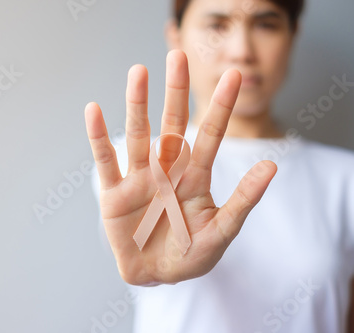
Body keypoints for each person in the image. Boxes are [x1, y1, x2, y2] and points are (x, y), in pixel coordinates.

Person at [84, 0, 354, 332]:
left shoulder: (345, 179)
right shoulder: (132, 169)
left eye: (266, 24)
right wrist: (154, 271)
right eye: (216, 25)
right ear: (176, 35)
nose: (242, 51)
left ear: (292, 35)